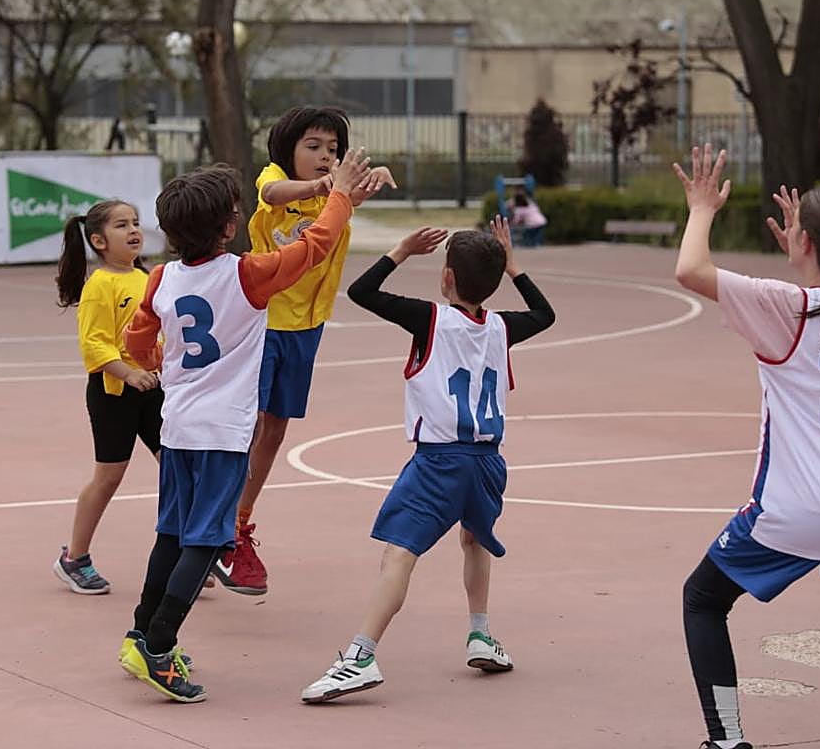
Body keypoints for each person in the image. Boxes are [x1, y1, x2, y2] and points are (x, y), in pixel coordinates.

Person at [118, 149, 372, 702]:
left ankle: (139, 633)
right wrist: (341, 197)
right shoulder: (247, 274)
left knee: (170, 533)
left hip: (177, 427)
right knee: (207, 541)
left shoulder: (160, 278)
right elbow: (315, 245)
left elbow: (136, 343)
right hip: (223, 432)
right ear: (229, 227)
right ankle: (159, 646)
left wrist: (162, 359)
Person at [300, 215, 556, 703]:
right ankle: (480, 633)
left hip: (440, 461)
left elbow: (362, 292)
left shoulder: (430, 320)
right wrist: (513, 266)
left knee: (399, 553)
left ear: (446, 277)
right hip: (488, 462)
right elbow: (545, 314)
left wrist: (401, 250)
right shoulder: (502, 327)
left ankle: (360, 656)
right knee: (474, 539)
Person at [672, 146, 820, 749]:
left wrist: (702, 208)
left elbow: (691, 270)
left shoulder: (787, 308)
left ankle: (727, 740)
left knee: (703, 599)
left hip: (794, 510)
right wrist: (811, 255)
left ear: (805, 244)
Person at [214, 106, 390, 596]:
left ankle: (238, 522)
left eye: (333, 149)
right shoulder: (275, 181)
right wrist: (322, 185)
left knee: (274, 430)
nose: (325, 155)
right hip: (262, 321)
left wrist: (367, 182)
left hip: (306, 326)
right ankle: (217, 530)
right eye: (313, 146)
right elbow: (272, 194)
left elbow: (347, 200)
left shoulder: (334, 196)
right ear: (287, 149)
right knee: (245, 427)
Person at [51, 200, 163, 595]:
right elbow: (95, 345)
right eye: (121, 225)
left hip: (153, 388)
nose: (133, 230)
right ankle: (74, 557)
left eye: (135, 222)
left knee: (178, 469)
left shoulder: (147, 277)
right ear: (99, 240)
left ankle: (184, 555)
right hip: (114, 393)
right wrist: (128, 373)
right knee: (109, 477)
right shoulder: (100, 285)